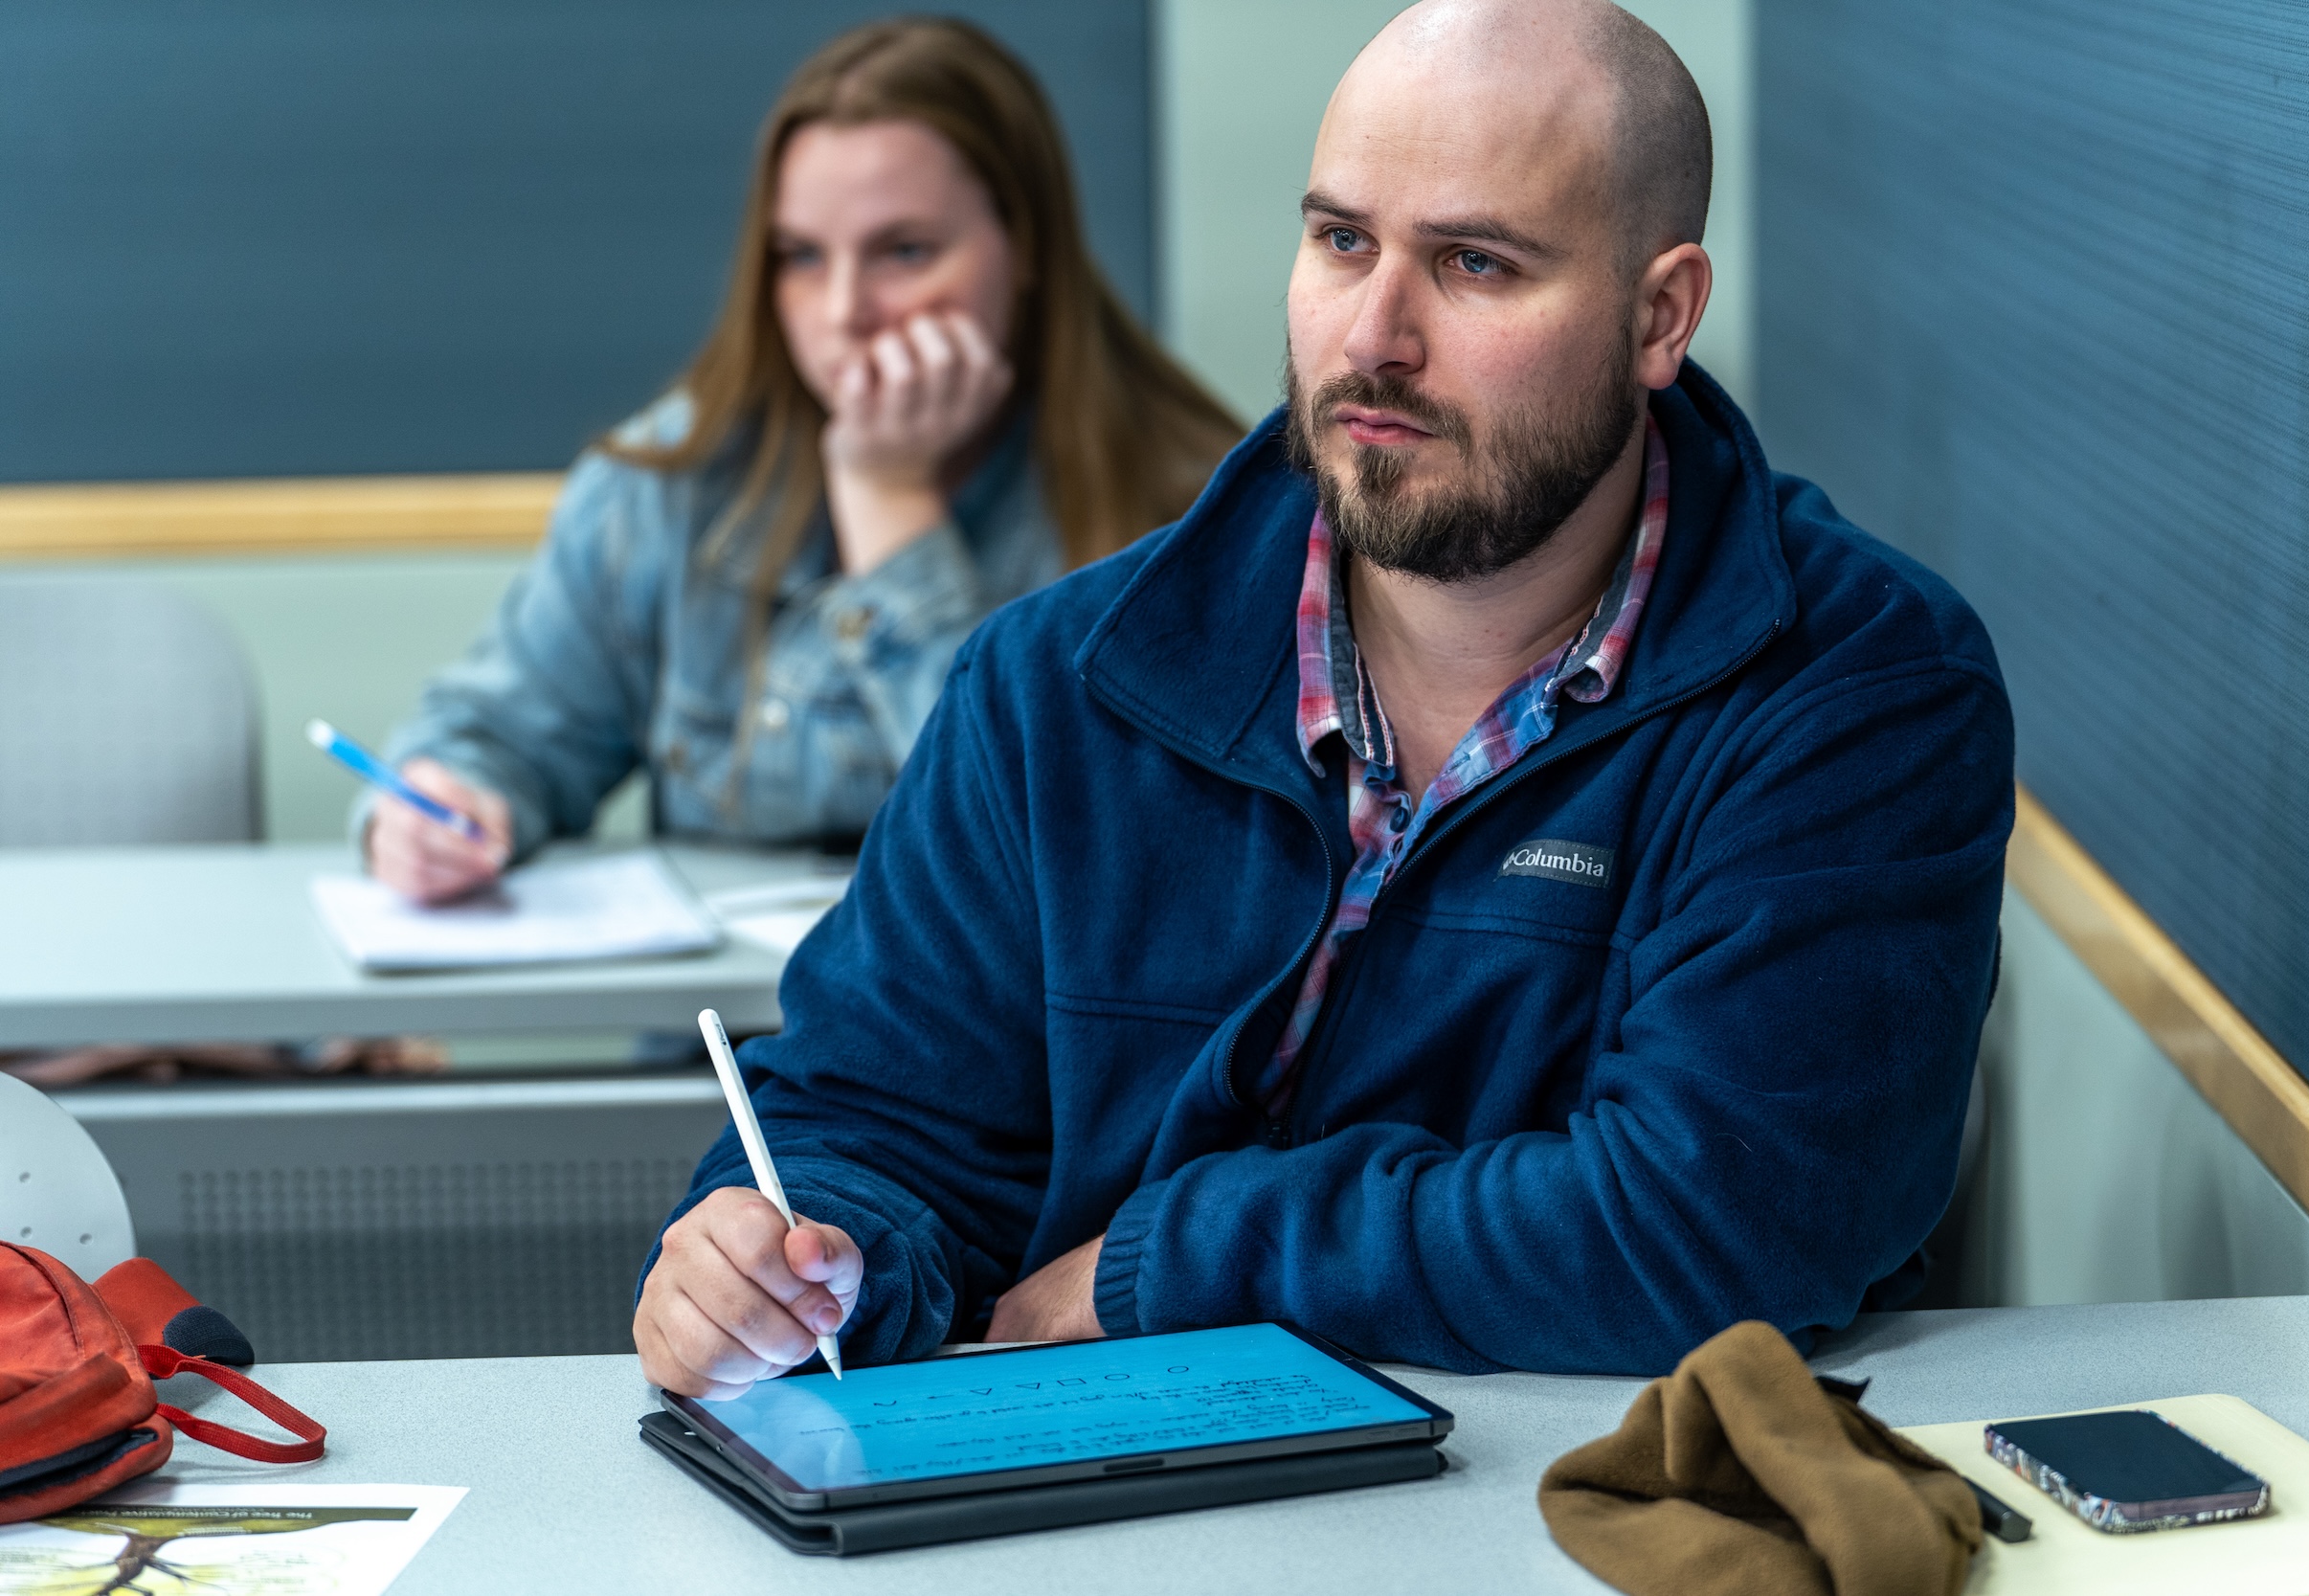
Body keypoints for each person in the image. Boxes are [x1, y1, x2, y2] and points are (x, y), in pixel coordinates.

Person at [634, 0, 2014, 1392]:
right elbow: (870, 1124)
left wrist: (1173, 1261)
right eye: (1341, 239)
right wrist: (790, 1257)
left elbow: (1721, 1214)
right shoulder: (1056, 683)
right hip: (1104, 1514)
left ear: (1659, 316)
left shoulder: (1859, 687)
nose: (1374, 336)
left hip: (1571, 1520)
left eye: (1475, 263)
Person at [363, 19, 1243, 900]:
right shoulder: (670, 482)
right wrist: (443, 801)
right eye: (802, 258)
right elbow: (499, 730)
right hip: (725, 1036)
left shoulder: (1200, 509)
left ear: (1025, 251)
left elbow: (1081, 852)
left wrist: (889, 502)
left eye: (905, 251)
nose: (845, 311)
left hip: (1028, 1042)